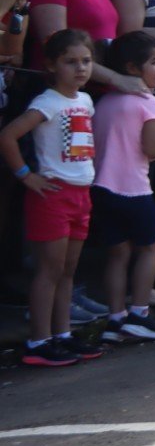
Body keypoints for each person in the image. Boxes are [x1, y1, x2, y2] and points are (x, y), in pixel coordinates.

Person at [3, 30, 101, 366]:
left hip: (81, 195)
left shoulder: (85, 101)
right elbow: (9, 136)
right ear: (51, 65)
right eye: (70, 62)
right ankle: (38, 341)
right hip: (53, 195)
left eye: (86, 61)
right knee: (50, 269)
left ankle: (63, 335)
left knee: (69, 269)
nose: (80, 68)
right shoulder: (47, 102)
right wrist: (26, 175)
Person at [92, 31, 155, 342]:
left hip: (101, 187)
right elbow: (153, 149)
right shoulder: (148, 103)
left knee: (117, 254)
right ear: (131, 67)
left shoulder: (105, 101)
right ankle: (139, 312)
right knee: (149, 248)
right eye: (154, 62)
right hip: (134, 190)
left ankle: (115, 319)